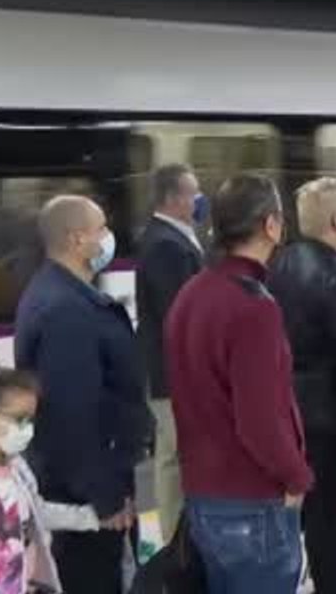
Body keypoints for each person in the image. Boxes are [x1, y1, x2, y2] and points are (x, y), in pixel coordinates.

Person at [166, 174, 314, 593]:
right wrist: (297, 476)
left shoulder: (192, 293)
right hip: (251, 503)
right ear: (271, 225)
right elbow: (260, 420)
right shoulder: (254, 308)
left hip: (203, 496)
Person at [14, 195, 146, 594]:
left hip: (84, 487)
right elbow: (73, 414)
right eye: (102, 229)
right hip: (86, 496)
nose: (109, 238)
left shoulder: (57, 294)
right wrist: (105, 498)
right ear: (76, 239)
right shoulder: (67, 311)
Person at [267, 178, 336, 594]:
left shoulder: (280, 265)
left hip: (291, 409)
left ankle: (333, 568)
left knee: (314, 505)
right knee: (329, 505)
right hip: (334, 415)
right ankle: (332, 582)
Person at [0, 359, 119, 594]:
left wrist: (91, 518)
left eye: (30, 420)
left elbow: (36, 513)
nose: (27, 430)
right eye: (19, 419)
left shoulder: (17, 468)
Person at [135, 164, 205, 545]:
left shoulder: (174, 237)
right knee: (186, 457)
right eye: (194, 192)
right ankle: (183, 548)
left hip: (169, 375)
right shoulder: (165, 244)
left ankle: (173, 540)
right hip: (176, 376)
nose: (199, 199)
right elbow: (179, 315)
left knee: (169, 461)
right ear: (174, 198)